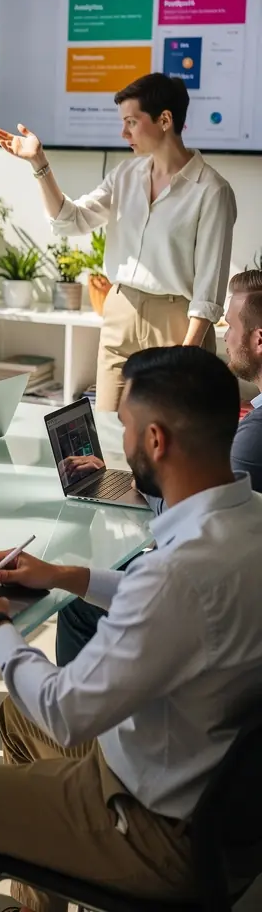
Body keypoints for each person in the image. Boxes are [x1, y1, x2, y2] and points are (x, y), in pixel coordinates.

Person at [0, 346, 262, 912]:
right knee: (14, 715)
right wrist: (67, 576)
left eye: (126, 427)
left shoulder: (173, 576)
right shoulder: (247, 519)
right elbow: (180, 608)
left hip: (150, 827)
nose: (121, 444)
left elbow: (63, 708)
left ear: (155, 441)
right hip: (209, 792)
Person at [0, 73, 236, 411]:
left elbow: (209, 290)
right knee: (107, 428)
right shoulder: (125, 176)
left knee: (166, 436)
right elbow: (70, 220)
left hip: (175, 322)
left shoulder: (211, 190)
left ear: (165, 120)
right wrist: (39, 163)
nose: (124, 133)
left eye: (132, 122)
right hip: (120, 310)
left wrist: (188, 353)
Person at [56, 267, 262, 666]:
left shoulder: (254, 433)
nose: (224, 335)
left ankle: (92, 729)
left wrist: (147, 479)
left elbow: (198, 518)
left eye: (231, 326)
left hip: (212, 607)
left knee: (77, 608)